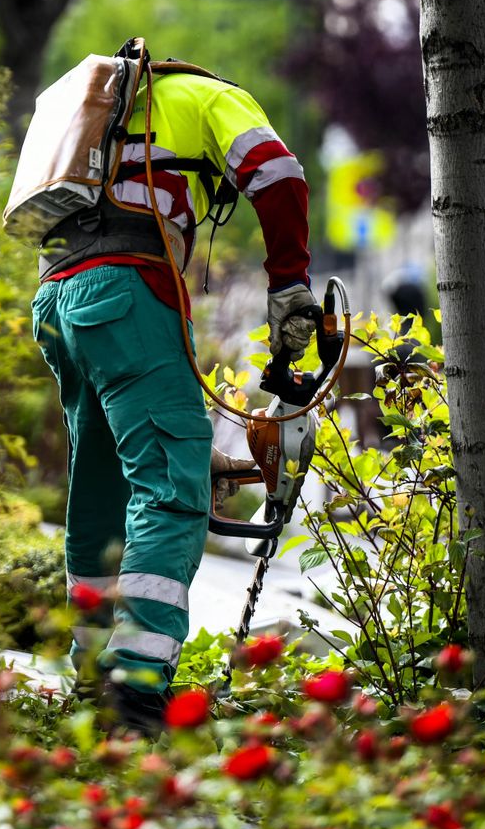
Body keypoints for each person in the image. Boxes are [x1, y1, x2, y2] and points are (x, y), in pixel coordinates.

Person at [29, 59, 317, 735]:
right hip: (128, 286)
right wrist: (290, 286)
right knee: (167, 487)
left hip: (57, 299)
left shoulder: (106, 110)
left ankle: (93, 674)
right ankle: (136, 689)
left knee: (100, 487)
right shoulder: (214, 96)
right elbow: (278, 173)